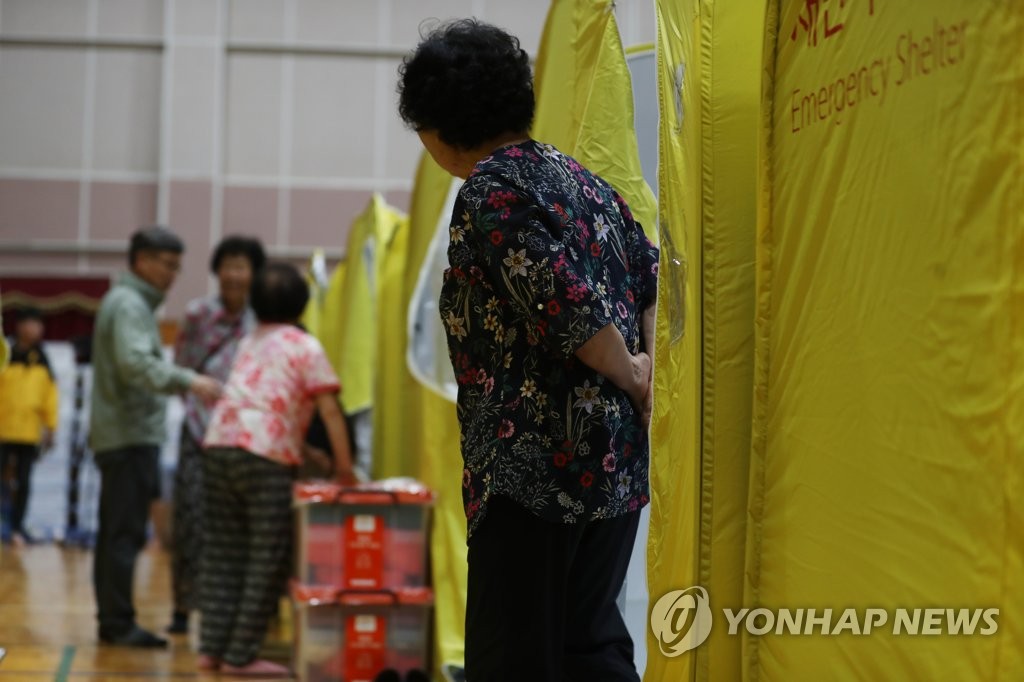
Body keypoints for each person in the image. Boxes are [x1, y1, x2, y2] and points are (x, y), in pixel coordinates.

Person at [398, 20, 659, 682]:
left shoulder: (490, 189)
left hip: (534, 468)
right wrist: (646, 377)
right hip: (615, 462)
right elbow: (653, 278)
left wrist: (630, 369)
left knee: (514, 655)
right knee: (592, 645)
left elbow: (560, 298)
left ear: (438, 124)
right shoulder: (588, 183)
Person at [199, 262, 357, 676]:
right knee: (264, 556)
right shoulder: (305, 345)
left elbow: (262, 405)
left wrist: (306, 451)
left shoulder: (249, 341)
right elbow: (331, 411)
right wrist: (344, 469)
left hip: (218, 446)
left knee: (222, 551)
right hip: (265, 459)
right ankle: (240, 656)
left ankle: (211, 649)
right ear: (303, 305)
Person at [90, 226, 221, 648]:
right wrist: (189, 381)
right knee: (123, 535)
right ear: (142, 261)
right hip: (127, 437)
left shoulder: (133, 304)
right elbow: (134, 365)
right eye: (166, 264)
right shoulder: (128, 304)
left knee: (119, 533)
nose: (172, 274)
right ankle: (117, 624)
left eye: (176, 267)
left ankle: (115, 620)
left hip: (128, 436)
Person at [167, 236, 266, 636]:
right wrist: (201, 401)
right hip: (197, 432)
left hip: (245, 437)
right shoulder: (197, 314)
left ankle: (223, 615)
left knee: (234, 528)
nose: (233, 274)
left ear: (255, 273)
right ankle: (181, 607)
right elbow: (182, 370)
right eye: (227, 265)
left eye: (241, 266)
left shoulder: (262, 319)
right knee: (189, 519)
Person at [0, 307, 59, 545]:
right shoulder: (6, 353)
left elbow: (50, 396)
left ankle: (16, 527)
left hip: (28, 432)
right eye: (31, 323)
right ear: (20, 326)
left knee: (23, 482)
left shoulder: (42, 359)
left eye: (39, 324)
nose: (36, 329)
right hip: (3, 429)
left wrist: (51, 427)